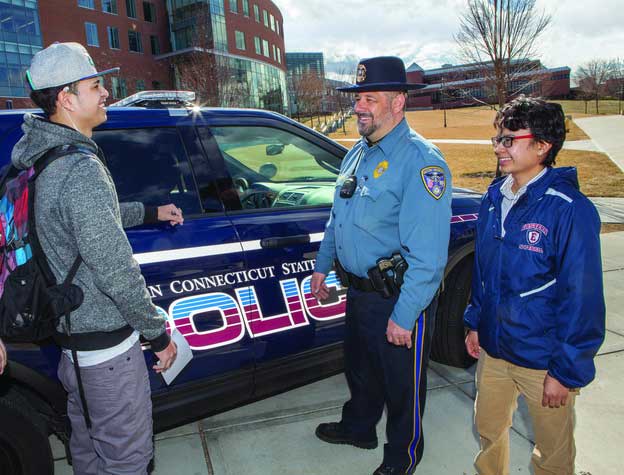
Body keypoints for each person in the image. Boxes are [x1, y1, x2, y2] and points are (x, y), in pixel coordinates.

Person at [12, 42, 182, 474]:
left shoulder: (40, 157)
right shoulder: (79, 168)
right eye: (95, 85)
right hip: (107, 353)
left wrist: (147, 211)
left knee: (88, 451)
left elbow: (77, 220)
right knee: (127, 461)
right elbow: (115, 268)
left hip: (71, 346)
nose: (106, 92)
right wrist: (157, 332)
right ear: (68, 99)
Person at [311, 56, 452, 475]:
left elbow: (428, 258)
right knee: (360, 369)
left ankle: (401, 457)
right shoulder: (357, 152)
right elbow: (339, 216)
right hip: (358, 291)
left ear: (398, 103)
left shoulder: (421, 163)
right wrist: (323, 265)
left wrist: (405, 317)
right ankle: (358, 427)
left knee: (401, 386)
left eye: (370, 98)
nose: (359, 107)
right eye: (358, 98)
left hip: (397, 298)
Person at [463, 95, 605, 475]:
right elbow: (483, 269)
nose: (498, 147)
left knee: (553, 454)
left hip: (544, 360)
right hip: (494, 351)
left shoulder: (569, 209)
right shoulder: (494, 197)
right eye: (498, 138)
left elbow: (583, 298)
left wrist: (566, 370)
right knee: (488, 430)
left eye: (509, 139)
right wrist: (476, 321)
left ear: (542, 146)